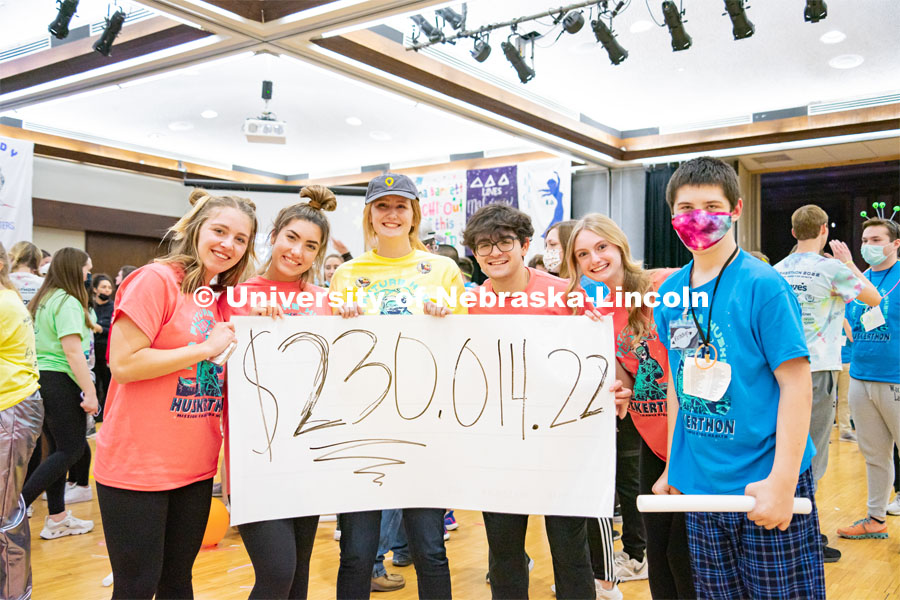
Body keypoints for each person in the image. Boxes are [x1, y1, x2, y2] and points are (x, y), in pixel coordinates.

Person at [653, 156, 825, 599]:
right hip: (702, 485)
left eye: (711, 205)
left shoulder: (763, 285)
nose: (698, 218)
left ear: (735, 209)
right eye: (686, 208)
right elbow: (678, 383)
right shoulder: (671, 292)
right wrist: (675, 464)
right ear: (672, 216)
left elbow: (796, 383)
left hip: (766, 477)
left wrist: (783, 482)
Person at [463, 203, 632, 600]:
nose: (494, 252)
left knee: (571, 551)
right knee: (503, 553)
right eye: (483, 245)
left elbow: (603, 355)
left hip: (563, 448)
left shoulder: (566, 295)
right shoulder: (468, 305)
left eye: (504, 241)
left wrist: (615, 382)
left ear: (523, 245)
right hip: (499, 449)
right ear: (474, 253)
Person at [94, 189, 256, 598]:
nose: (228, 245)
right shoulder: (156, 280)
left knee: (177, 582)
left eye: (240, 239)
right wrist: (203, 348)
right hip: (138, 467)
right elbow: (124, 364)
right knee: (136, 586)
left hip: (195, 466)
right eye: (220, 230)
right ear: (196, 229)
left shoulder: (217, 297)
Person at [329, 173, 465, 599]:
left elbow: (464, 350)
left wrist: (447, 319)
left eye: (400, 206)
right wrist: (339, 319)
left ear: (414, 215)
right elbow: (332, 354)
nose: (392, 214)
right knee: (356, 551)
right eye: (382, 206)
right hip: (362, 430)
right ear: (369, 215)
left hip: (424, 428)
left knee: (429, 548)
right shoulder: (348, 273)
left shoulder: (442, 270)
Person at [566, 214, 695, 598]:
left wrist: (675, 461)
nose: (594, 259)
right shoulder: (605, 306)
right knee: (656, 550)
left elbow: (688, 368)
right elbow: (627, 370)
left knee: (681, 554)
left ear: (619, 245)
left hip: (688, 440)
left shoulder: (663, 285)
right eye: (583, 254)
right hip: (650, 439)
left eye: (601, 247)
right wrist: (620, 390)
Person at [220, 186, 336, 599]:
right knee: (276, 574)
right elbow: (213, 367)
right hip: (255, 459)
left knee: (298, 575)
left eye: (310, 245)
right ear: (273, 235)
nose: (297, 252)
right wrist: (246, 323)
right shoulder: (234, 297)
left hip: (308, 455)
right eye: (291, 238)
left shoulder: (325, 302)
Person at [773, 204, 881, 561]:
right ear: (823, 230)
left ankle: (786, 525)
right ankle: (804, 537)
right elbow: (873, 297)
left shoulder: (775, 270)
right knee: (812, 454)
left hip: (776, 370)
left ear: (793, 233)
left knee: (781, 449)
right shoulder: (832, 269)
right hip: (815, 371)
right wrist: (849, 263)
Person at [21, 247, 99, 540]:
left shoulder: (44, 298)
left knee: (56, 450)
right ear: (73, 269)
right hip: (60, 380)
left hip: (41, 379)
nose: (88, 274)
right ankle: (14, 510)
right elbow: (72, 351)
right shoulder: (67, 301)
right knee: (72, 449)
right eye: (86, 269)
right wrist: (90, 392)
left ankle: (57, 518)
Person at [837, 217, 900, 540]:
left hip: (896, 377)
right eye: (865, 240)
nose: (868, 246)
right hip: (861, 375)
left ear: (895, 244)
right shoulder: (854, 282)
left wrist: (848, 264)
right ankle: (876, 519)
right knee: (874, 454)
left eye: (876, 240)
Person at [0, 241, 43, 599]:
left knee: (4, 512)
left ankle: (15, 593)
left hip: (12, 408)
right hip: (12, 407)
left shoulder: (3, 302)